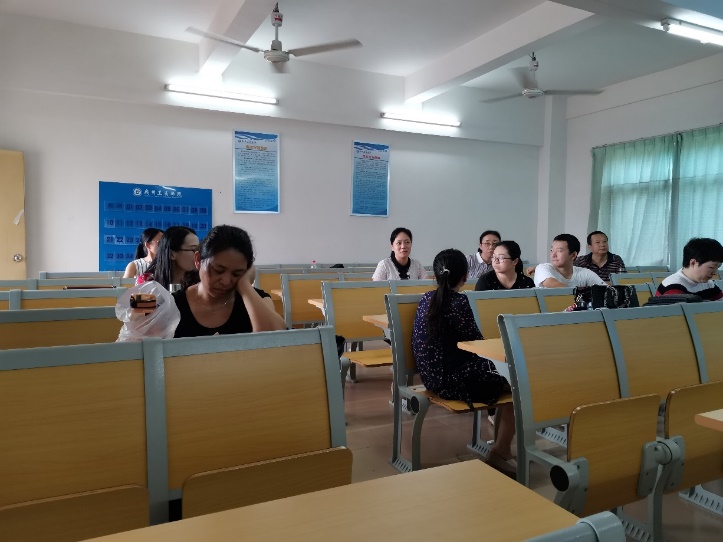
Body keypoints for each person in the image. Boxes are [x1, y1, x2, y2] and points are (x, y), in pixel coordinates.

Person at [411, 248, 516, 474]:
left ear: (435, 275)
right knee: (520, 383)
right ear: (465, 276)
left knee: (511, 378)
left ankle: (502, 447)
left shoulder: (427, 298)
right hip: (453, 381)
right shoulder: (459, 302)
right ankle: (501, 450)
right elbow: (477, 343)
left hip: (431, 377)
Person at [172, 225, 287, 337]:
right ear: (198, 260)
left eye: (237, 274)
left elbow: (277, 340)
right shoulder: (174, 305)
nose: (226, 281)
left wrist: (245, 285)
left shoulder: (255, 300)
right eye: (218, 270)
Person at [655, 237, 723, 301]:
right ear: (693, 263)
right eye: (711, 267)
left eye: (718, 268)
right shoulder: (673, 287)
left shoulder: (709, 285)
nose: (715, 273)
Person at [534, 234, 606, 288]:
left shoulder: (585, 273)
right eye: (551, 250)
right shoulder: (542, 268)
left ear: (573, 255)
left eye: (559, 251)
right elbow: (554, 285)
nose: (553, 255)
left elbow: (607, 290)